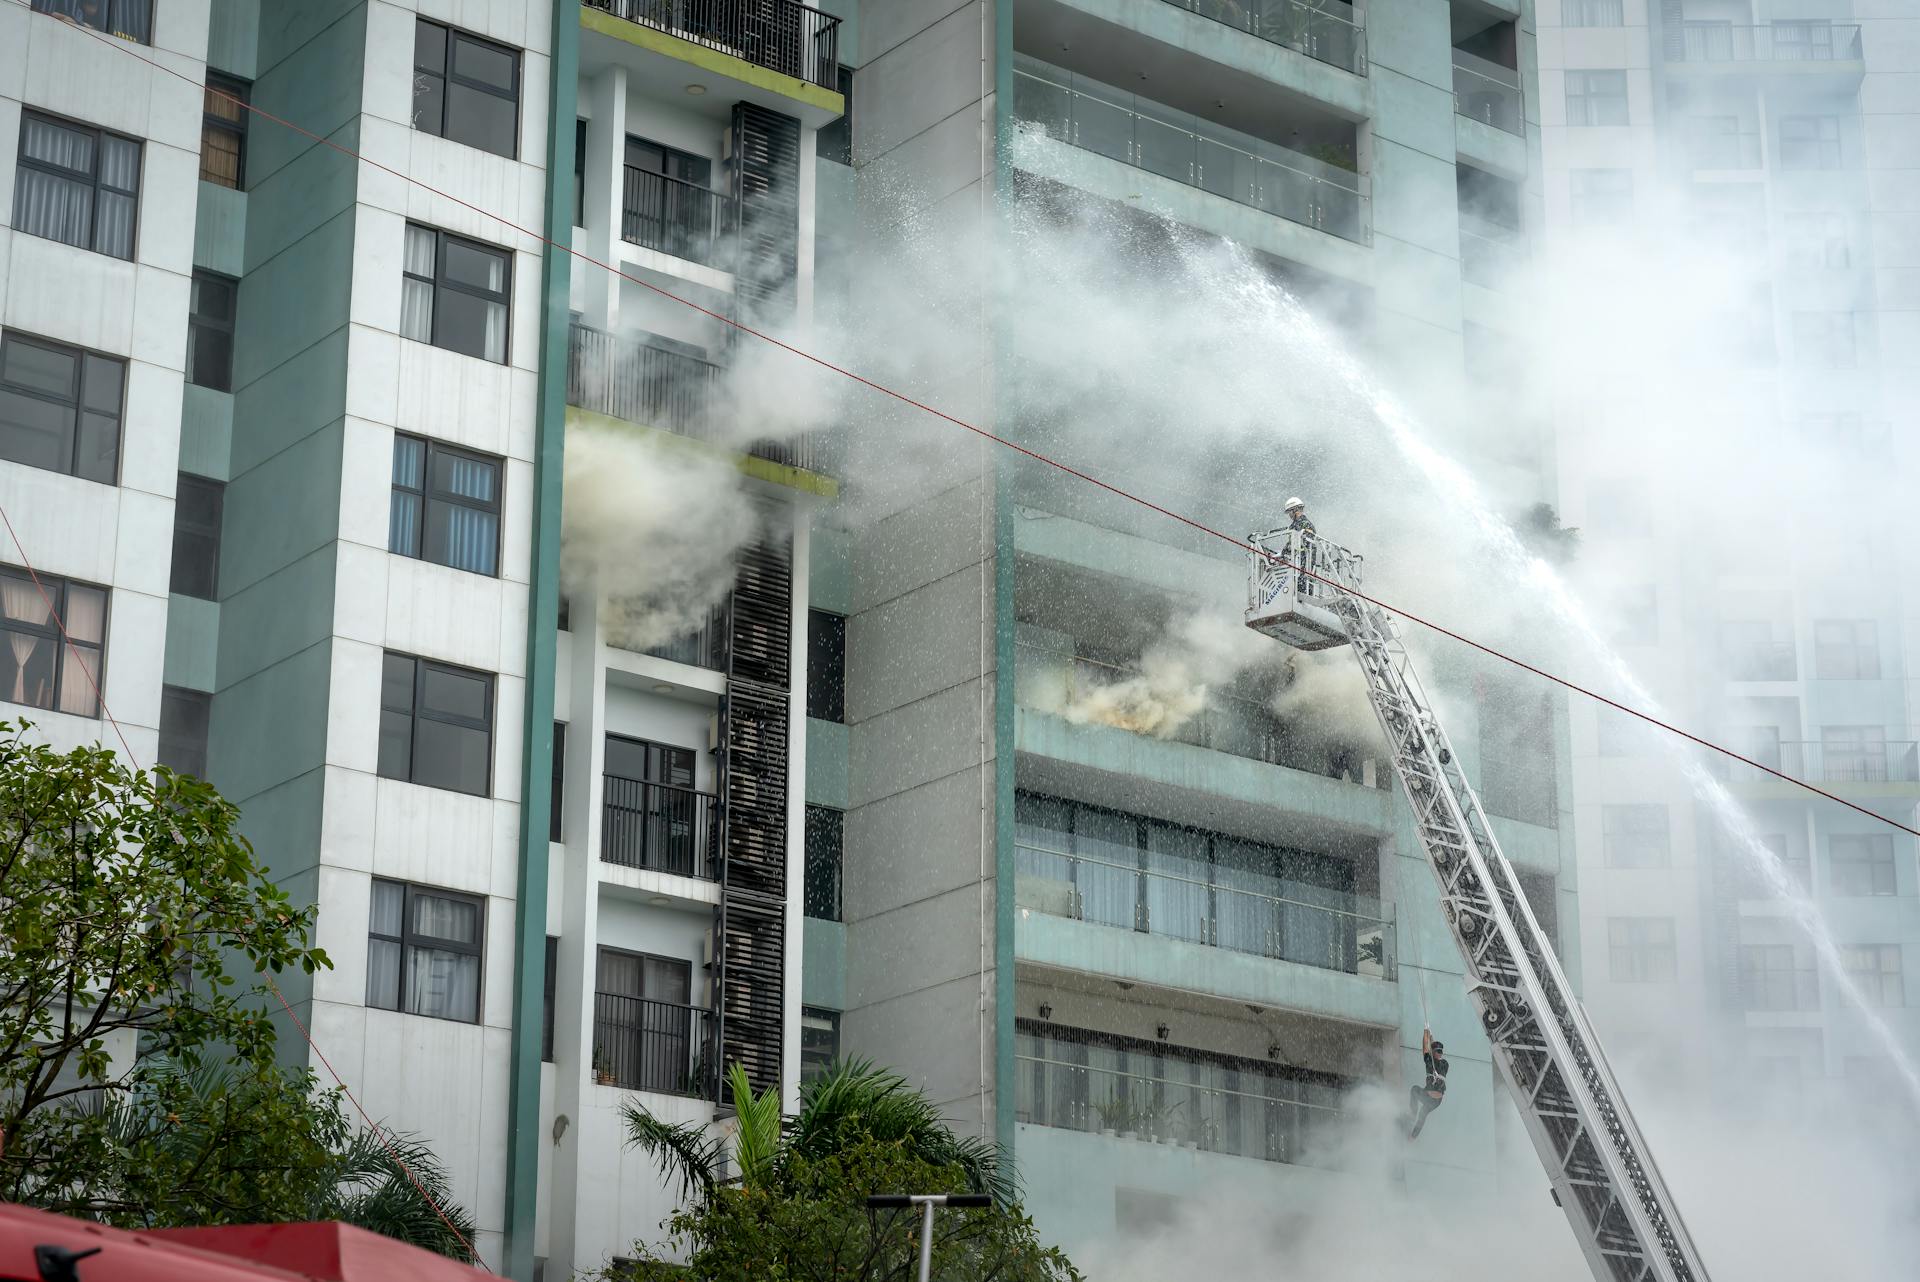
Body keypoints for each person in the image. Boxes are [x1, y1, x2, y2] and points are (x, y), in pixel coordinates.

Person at [1407, 1027, 1447, 1139]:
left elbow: (1425, 1048)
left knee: (1414, 1089)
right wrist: (1430, 1036)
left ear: (1433, 1052)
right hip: (1437, 1101)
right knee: (1423, 1114)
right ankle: (1413, 1137)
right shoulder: (1445, 1063)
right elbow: (1433, 1047)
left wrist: (1425, 1032)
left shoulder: (1430, 1062)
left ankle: (1411, 1115)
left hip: (1428, 1096)